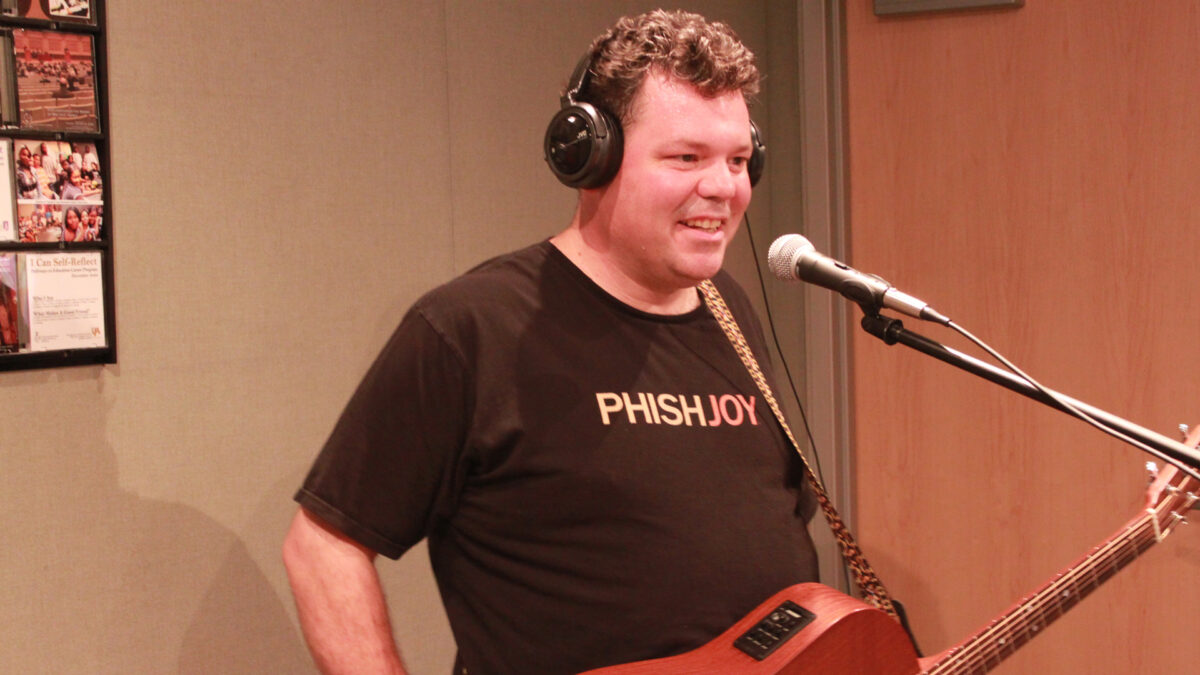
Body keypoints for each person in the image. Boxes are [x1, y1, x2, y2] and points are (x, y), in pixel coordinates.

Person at [283, 9, 819, 675]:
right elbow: (322, 545)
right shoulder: (472, 327)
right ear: (589, 154)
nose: (724, 187)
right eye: (687, 157)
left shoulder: (730, 312)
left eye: (739, 159)